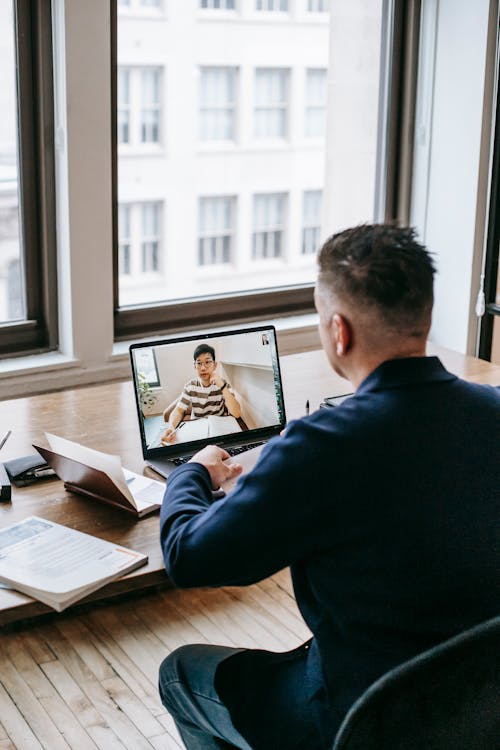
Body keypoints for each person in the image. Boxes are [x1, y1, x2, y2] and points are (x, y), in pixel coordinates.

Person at [157, 224, 500, 750]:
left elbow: (189, 556)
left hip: (361, 720)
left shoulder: (318, 447)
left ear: (338, 331)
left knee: (179, 673)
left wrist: (193, 472)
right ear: (424, 317)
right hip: (480, 704)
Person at [162, 343, 241, 444]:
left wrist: (222, 387)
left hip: (218, 430)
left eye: (207, 362)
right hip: (196, 431)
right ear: (194, 366)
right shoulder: (190, 386)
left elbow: (237, 413)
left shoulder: (222, 383)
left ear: (215, 365)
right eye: (199, 363)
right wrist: (171, 427)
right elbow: (178, 410)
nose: (203, 368)